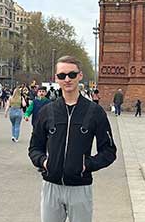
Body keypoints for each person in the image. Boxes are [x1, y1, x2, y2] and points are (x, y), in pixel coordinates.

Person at [29, 55, 117, 222]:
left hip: (80, 187)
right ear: (56, 78)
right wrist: (44, 162)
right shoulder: (47, 111)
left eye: (72, 74)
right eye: (62, 76)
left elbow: (109, 151)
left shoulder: (94, 112)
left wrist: (87, 165)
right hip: (51, 187)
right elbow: (34, 148)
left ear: (80, 76)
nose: (67, 79)